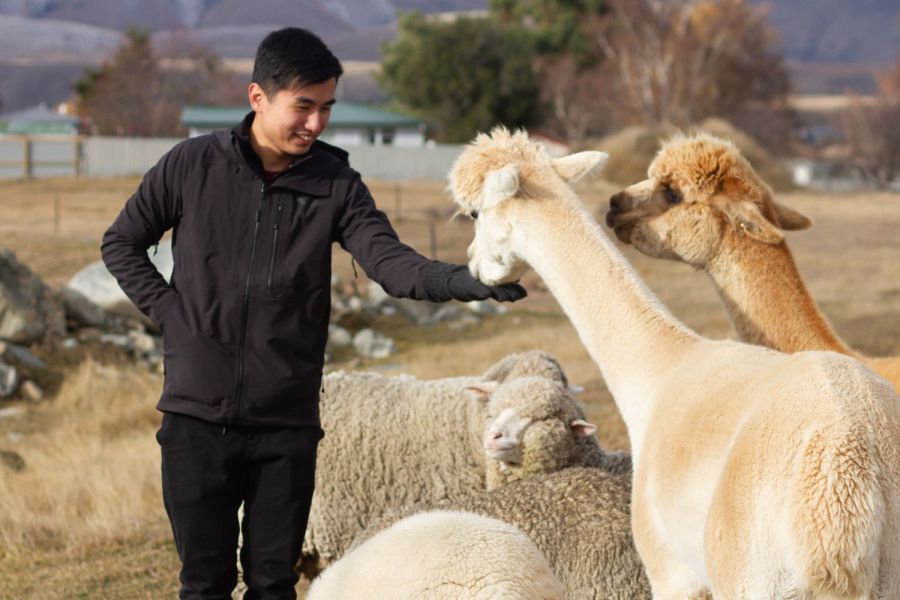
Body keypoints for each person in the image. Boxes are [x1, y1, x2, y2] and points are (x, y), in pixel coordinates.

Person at [101, 27, 525, 600]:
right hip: (195, 419)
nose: (316, 123)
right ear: (258, 97)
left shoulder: (337, 186)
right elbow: (121, 243)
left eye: (326, 108)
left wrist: (468, 280)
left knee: (274, 584)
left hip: (287, 425)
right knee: (204, 585)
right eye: (303, 107)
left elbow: (391, 265)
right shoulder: (191, 165)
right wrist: (174, 316)